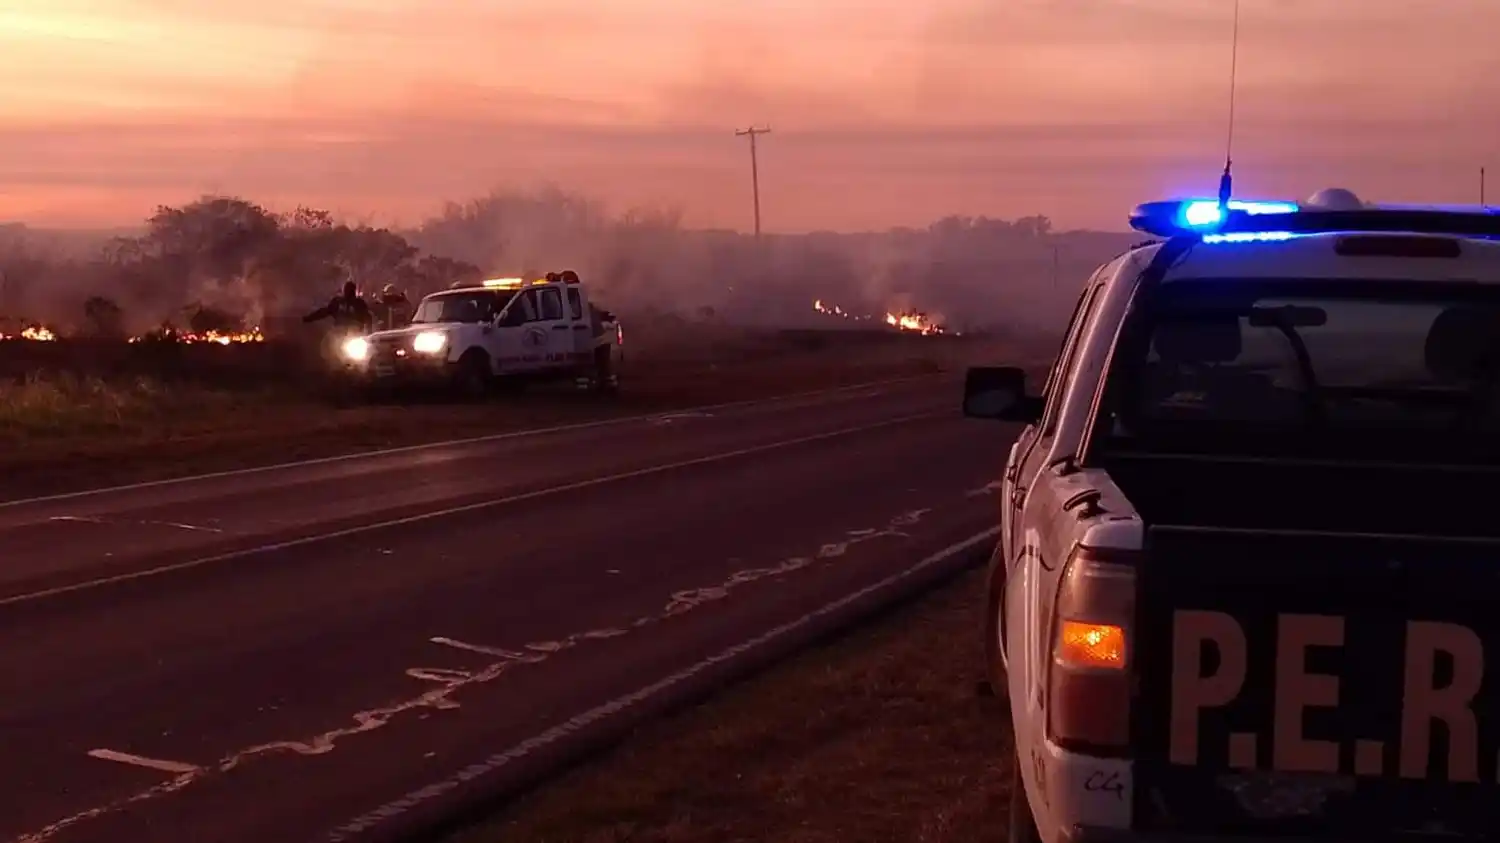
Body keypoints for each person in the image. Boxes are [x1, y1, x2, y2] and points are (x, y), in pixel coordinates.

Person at [303, 281, 373, 332]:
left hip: (355, 335)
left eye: (350, 290)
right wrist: (309, 318)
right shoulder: (338, 302)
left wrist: (369, 331)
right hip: (338, 334)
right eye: (347, 289)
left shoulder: (359, 303)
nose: (349, 292)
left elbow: (367, 317)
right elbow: (324, 312)